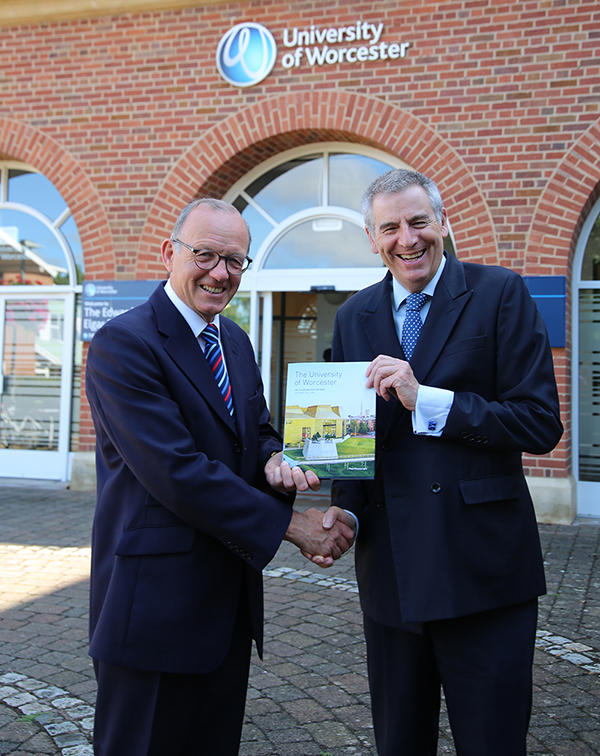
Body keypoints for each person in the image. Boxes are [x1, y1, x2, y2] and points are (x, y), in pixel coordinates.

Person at [85, 198, 355, 756]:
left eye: (235, 261)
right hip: (153, 608)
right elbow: (177, 471)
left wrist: (275, 461)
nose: (220, 273)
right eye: (205, 255)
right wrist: (293, 526)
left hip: (225, 604)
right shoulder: (124, 343)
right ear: (170, 254)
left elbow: (255, 430)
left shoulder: (233, 340)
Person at [330, 169, 563, 755]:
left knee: (492, 741)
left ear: (442, 223)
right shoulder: (353, 316)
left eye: (417, 222)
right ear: (371, 237)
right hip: (391, 575)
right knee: (399, 742)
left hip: (482, 569)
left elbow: (539, 423)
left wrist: (427, 400)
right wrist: (343, 516)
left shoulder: (499, 292)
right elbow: (351, 444)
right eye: (390, 228)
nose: (406, 239)